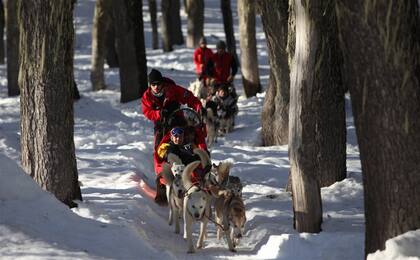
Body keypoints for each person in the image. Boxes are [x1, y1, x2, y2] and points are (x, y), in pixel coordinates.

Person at [141, 69, 208, 205]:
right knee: (160, 150)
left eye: (158, 84)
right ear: (150, 85)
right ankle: (162, 183)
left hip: (178, 121)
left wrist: (198, 107)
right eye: (153, 84)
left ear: (162, 83)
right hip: (162, 126)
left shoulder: (172, 89)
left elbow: (188, 97)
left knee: (191, 139)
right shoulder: (147, 96)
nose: (156, 87)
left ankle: (199, 174)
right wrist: (159, 114)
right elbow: (147, 112)